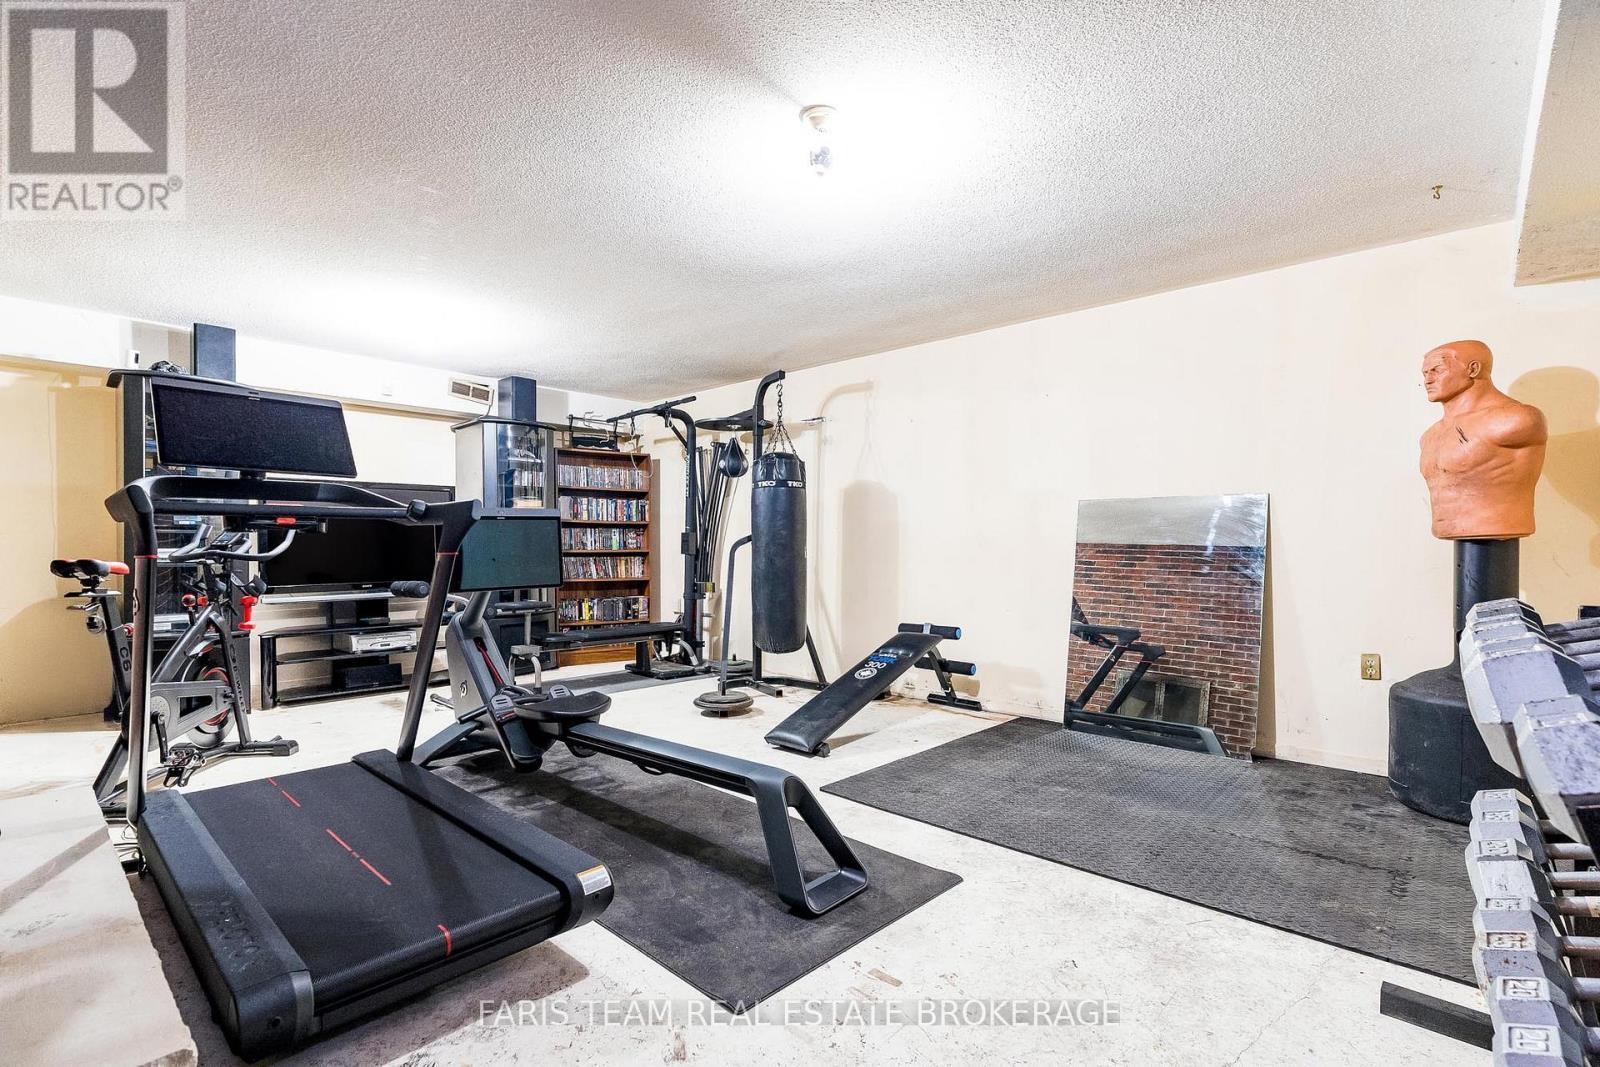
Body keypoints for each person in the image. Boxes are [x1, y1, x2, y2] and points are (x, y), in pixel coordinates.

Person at [1418, 340, 1547, 539]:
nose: (1428, 380)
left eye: (1437, 370)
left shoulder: (1515, 419)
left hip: (1496, 527)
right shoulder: (1429, 436)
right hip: (1454, 534)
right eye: (1425, 373)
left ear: (1473, 369)